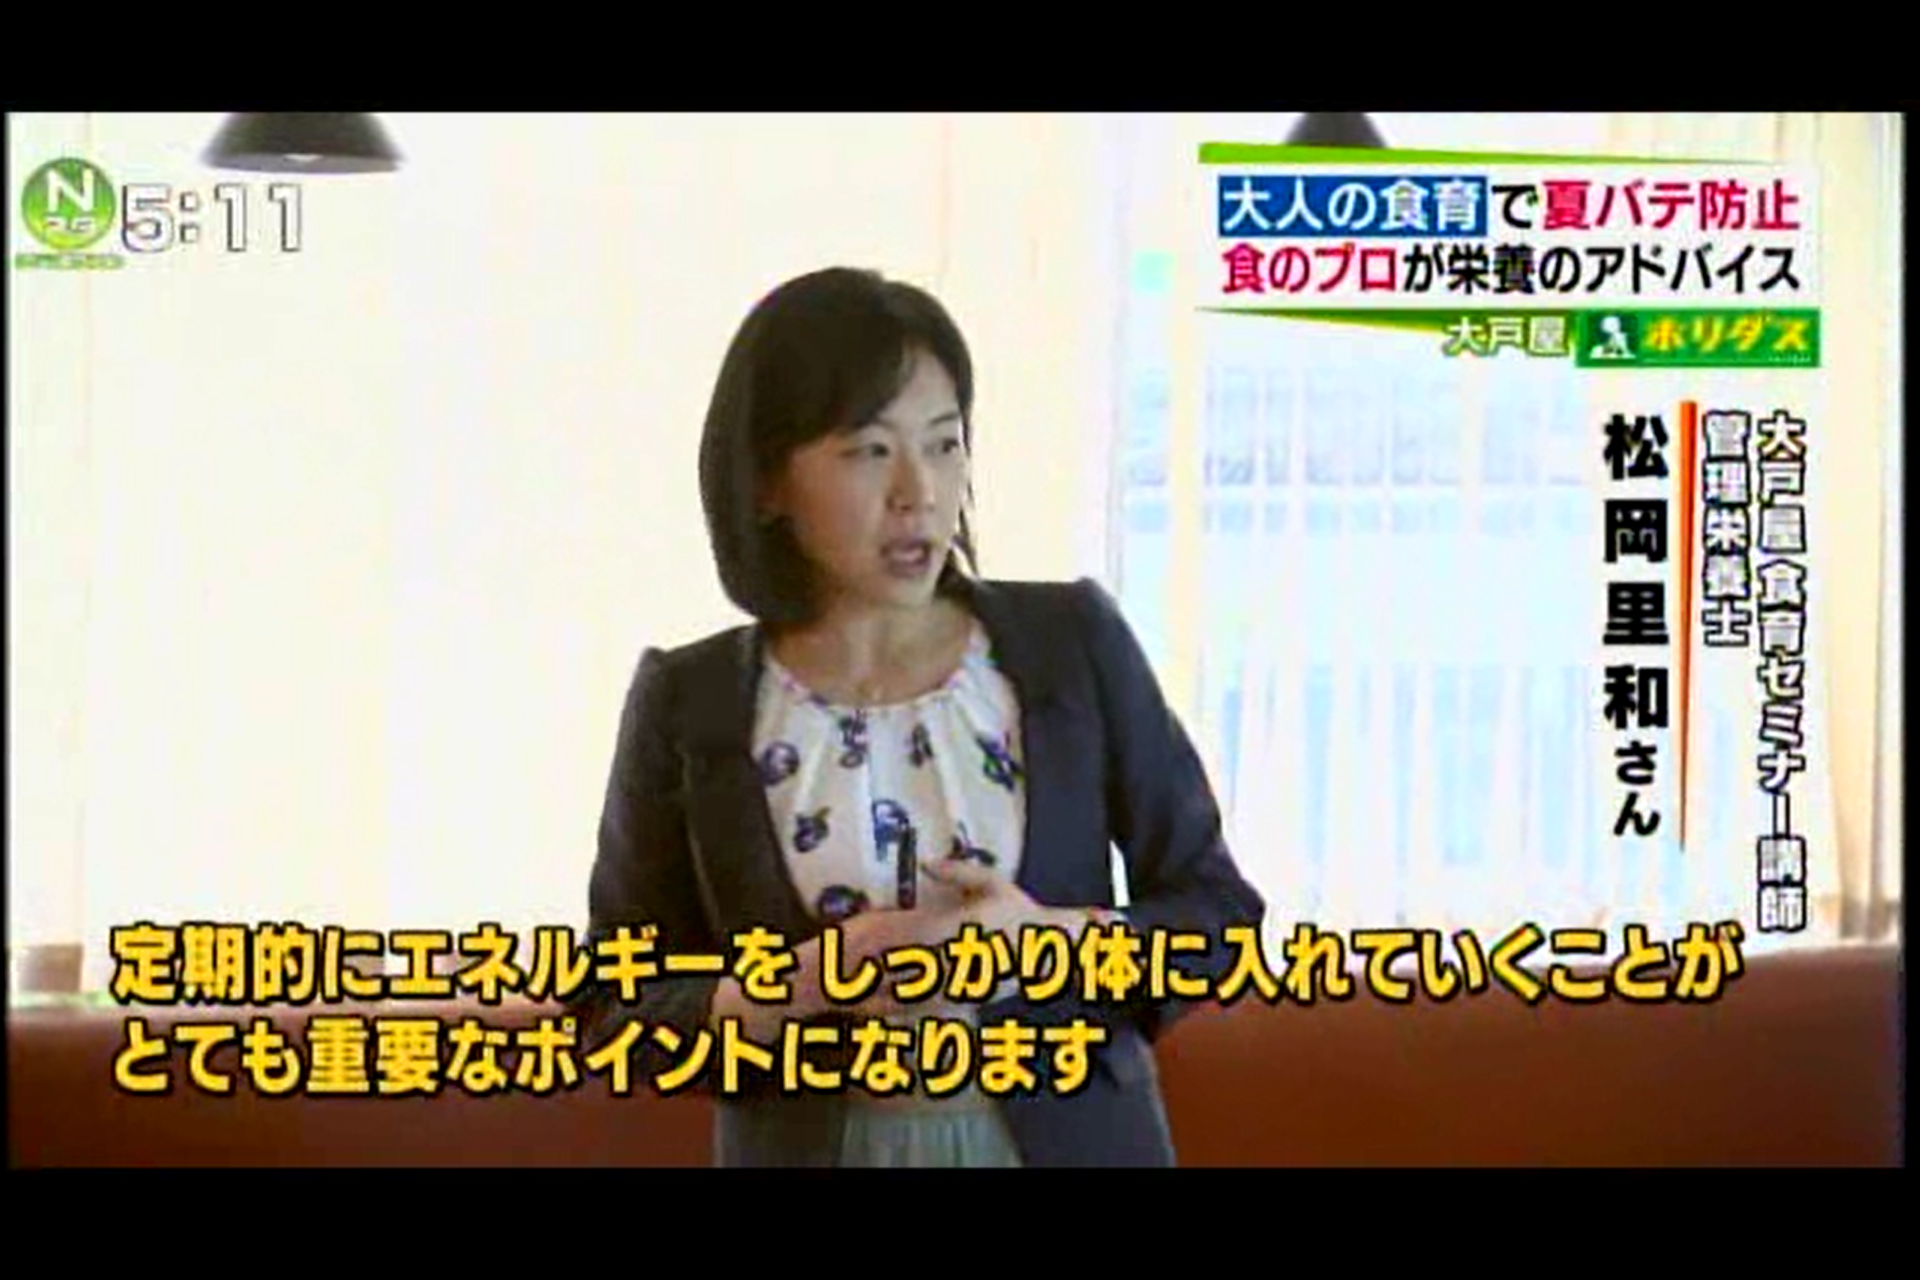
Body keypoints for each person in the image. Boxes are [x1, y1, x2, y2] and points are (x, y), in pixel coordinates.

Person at [569, 266, 1265, 1166]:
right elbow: (613, 1002)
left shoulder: (1071, 645)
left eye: (944, 445)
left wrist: (1053, 941)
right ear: (767, 483)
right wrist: (783, 993)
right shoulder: (687, 699)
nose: (920, 492)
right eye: (870, 450)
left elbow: (1219, 919)